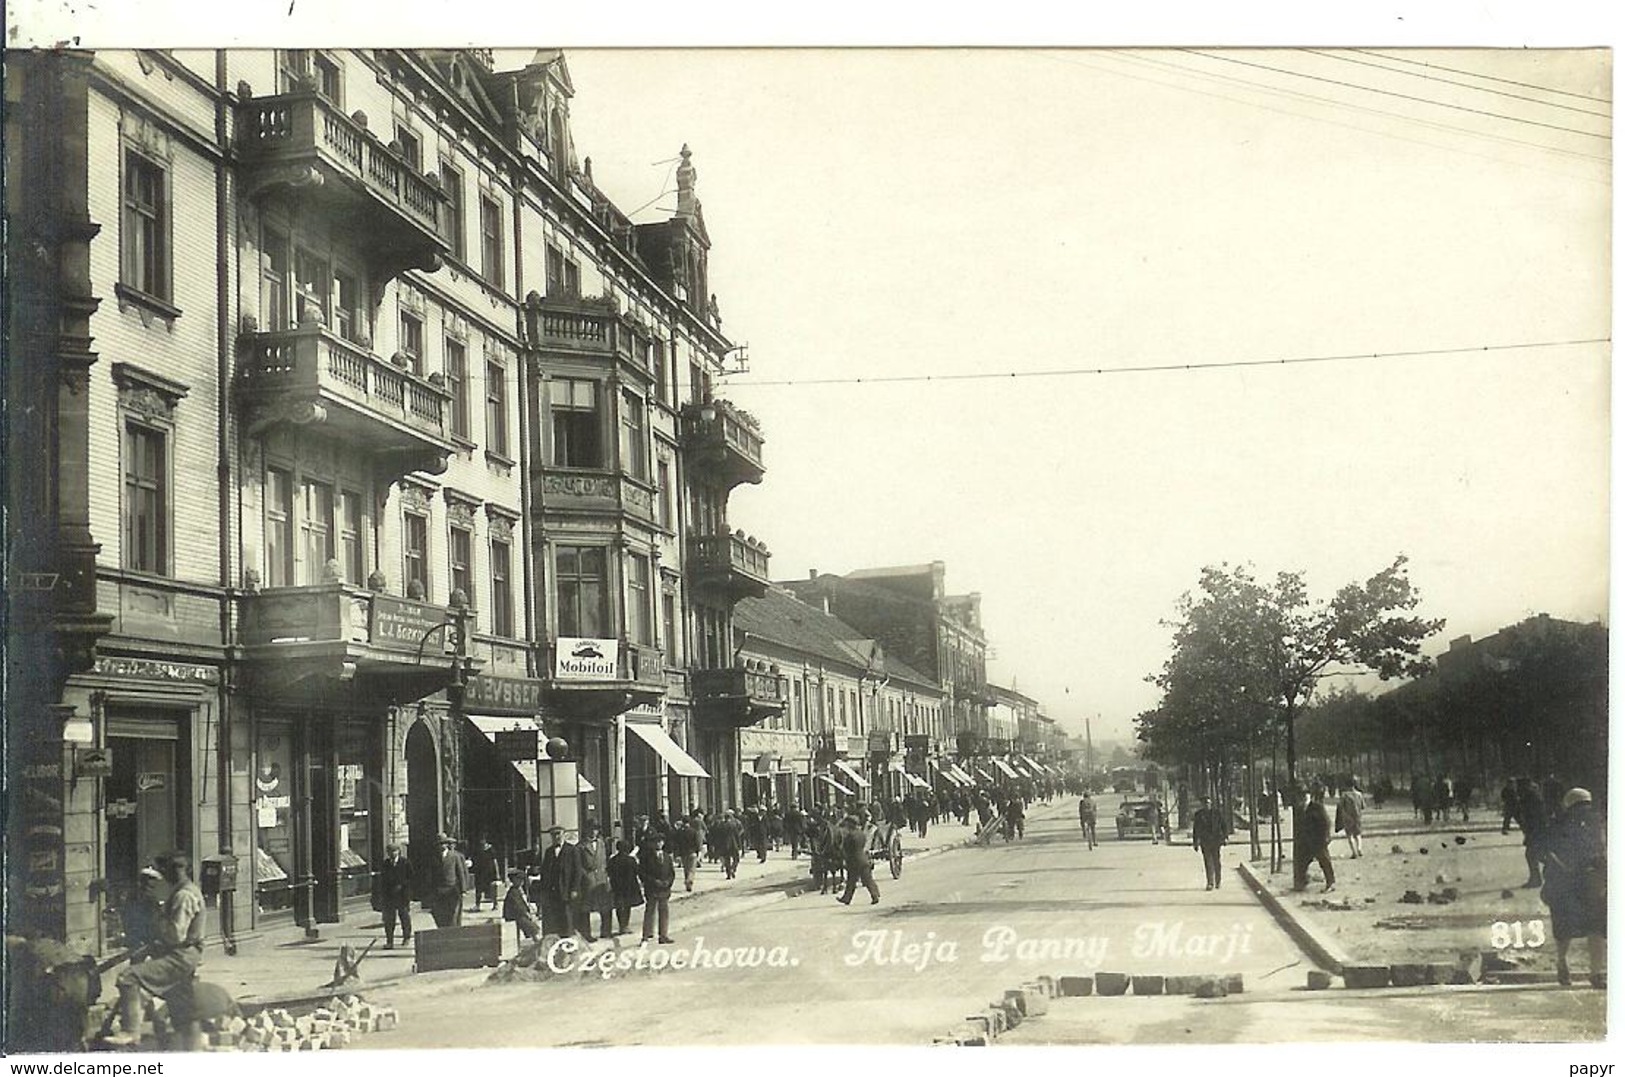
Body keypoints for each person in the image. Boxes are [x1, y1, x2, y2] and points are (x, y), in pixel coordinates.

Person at [103, 851, 206, 1046]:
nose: (162, 876)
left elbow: (175, 935)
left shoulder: (183, 895)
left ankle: (131, 1032)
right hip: (183, 954)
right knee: (180, 1003)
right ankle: (192, 1047)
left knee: (128, 977)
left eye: (164, 870)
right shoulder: (185, 890)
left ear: (177, 870)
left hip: (180, 955)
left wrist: (156, 921)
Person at [1541, 788, 1606, 988]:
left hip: (1565, 884)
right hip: (1592, 882)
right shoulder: (1598, 821)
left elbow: (1547, 853)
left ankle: (1562, 963)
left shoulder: (1557, 823)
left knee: (1564, 929)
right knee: (1596, 929)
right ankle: (1596, 973)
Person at [571, 823, 613, 942]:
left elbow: (605, 860)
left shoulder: (601, 843)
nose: (593, 832)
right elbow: (578, 866)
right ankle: (586, 934)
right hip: (588, 880)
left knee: (606, 906)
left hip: (601, 878)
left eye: (595, 830)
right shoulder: (580, 846)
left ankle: (606, 931)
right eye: (591, 829)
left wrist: (606, 875)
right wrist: (585, 877)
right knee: (586, 908)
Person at [535, 826, 577, 936]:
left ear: (564, 834)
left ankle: (567, 938)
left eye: (559, 834)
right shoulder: (549, 852)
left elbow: (577, 871)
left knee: (566, 915)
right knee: (554, 916)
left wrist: (574, 889)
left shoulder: (572, 850)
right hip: (552, 891)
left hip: (566, 888)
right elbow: (545, 871)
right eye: (553, 835)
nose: (556, 837)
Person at [1293, 786, 1336, 893]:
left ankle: (1330, 883)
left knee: (1325, 862)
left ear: (1309, 796)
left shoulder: (1317, 807)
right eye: (1301, 795)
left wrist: (1326, 837)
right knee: (1302, 863)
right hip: (1305, 841)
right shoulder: (1299, 809)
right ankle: (1301, 883)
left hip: (1318, 840)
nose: (1303, 798)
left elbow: (1326, 822)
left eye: (1305, 795)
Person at [1510, 778, 1550, 889]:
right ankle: (1540, 876)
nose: (1516, 789)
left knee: (1533, 854)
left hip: (1537, 830)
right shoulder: (1529, 796)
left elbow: (1535, 816)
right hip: (1535, 830)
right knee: (1538, 854)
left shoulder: (1530, 797)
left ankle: (1537, 879)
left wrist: (1531, 831)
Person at [638, 831, 676, 943]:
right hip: (652, 888)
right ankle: (646, 935)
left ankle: (663, 935)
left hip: (664, 888)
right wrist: (654, 882)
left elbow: (671, 873)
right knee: (650, 911)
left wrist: (668, 882)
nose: (659, 844)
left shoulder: (667, 857)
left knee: (664, 911)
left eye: (661, 842)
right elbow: (642, 873)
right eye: (656, 842)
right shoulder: (646, 857)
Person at [373, 843, 413, 948]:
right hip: (389, 896)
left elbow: (411, 878)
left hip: (402, 895)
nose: (392, 853)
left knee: (404, 917)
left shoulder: (405, 862)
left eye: (394, 851)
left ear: (399, 851)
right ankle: (389, 941)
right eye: (390, 851)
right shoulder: (385, 864)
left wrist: (404, 888)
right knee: (389, 920)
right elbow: (382, 880)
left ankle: (406, 937)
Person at [836, 814, 881, 906]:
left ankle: (848, 898)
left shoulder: (850, 836)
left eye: (848, 824)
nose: (846, 826)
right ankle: (874, 895)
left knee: (851, 881)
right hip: (863, 859)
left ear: (851, 825)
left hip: (854, 861)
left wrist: (843, 856)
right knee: (867, 879)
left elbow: (847, 849)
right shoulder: (861, 834)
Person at [431, 833, 471, 927]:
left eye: (443, 843)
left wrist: (463, 889)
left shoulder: (454, 856)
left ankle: (453, 933)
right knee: (440, 915)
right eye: (439, 844)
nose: (441, 846)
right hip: (439, 891)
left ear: (447, 844)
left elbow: (461, 873)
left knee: (453, 914)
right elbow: (431, 875)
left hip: (452, 890)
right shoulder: (433, 857)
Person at [122, 866, 165, 955]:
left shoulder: (140, 894)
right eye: (151, 879)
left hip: (144, 934)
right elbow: (129, 915)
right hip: (144, 934)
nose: (154, 882)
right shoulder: (143, 895)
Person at [1191, 795, 1229, 890]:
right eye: (1205, 804)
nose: (1207, 805)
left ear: (1211, 804)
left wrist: (1225, 837)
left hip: (1216, 840)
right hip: (1205, 841)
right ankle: (1210, 882)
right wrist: (1195, 842)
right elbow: (1196, 829)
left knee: (1217, 861)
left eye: (1208, 803)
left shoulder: (1217, 813)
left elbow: (1224, 825)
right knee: (1208, 862)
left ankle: (1218, 881)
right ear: (1202, 805)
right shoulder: (1199, 815)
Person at [607, 839, 644, 936]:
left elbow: (609, 872)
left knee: (619, 906)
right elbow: (637, 871)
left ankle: (621, 926)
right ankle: (625, 925)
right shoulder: (631, 860)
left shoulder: (613, 860)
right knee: (627, 906)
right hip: (629, 886)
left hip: (617, 886)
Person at [502, 868, 542, 942]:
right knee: (531, 927)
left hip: (519, 915)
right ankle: (535, 940)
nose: (521, 882)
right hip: (514, 916)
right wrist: (527, 914)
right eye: (519, 880)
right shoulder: (513, 892)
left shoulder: (517, 891)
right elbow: (519, 907)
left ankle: (533, 938)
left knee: (531, 924)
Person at [670, 814, 701, 892]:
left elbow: (677, 843)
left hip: (684, 853)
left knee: (686, 869)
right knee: (692, 869)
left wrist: (677, 854)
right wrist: (698, 852)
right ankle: (689, 881)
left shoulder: (680, 832)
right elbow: (697, 843)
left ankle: (688, 884)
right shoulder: (693, 831)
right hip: (692, 853)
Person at [1337, 780, 1367, 859]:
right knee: (1358, 834)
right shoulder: (1359, 794)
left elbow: (1341, 807)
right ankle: (1359, 849)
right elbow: (1363, 806)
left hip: (1348, 817)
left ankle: (1354, 852)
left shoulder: (1344, 795)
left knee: (1349, 835)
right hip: (1357, 817)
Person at [471, 839, 500, 911]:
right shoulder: (478, 851)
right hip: (480, 872)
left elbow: (495, 861)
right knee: (478, 889)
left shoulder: (491, 850)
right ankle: (477, 905)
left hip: (490, 873)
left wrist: (497, 873)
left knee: (493, 889)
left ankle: (495, 904)